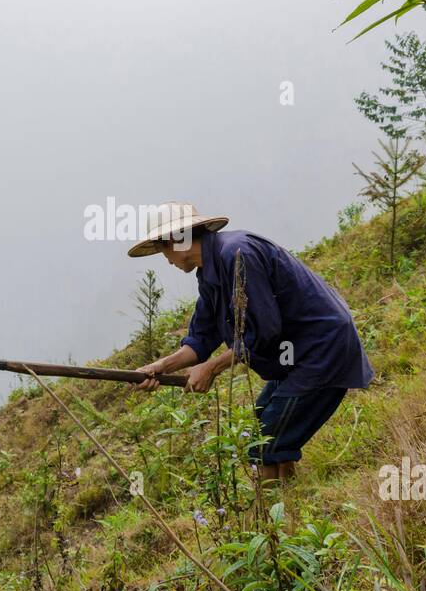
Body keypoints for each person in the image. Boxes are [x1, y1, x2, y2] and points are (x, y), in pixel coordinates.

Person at [129, 202, 374, 482]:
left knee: (265, 439)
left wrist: (211, 368)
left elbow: (263, 331)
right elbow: (200, 339)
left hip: (322, 349)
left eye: (164, 252)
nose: (168, 261)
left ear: (177, 240)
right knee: (262, 421)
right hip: (294, 355)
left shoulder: (238, 254)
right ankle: (287, 497)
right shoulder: (209, 272)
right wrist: (160, 367)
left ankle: (271, 514)